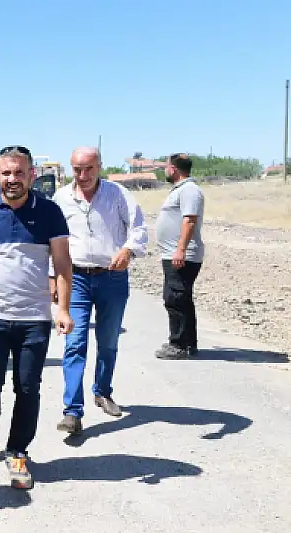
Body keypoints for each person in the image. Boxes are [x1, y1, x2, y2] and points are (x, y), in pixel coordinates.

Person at [0, 146, 73, 490]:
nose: (12, 179)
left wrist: (62, 308)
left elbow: (63, 264)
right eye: (6, 173)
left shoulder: (50, 213)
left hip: (33, 319)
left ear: (31, 174)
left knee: (28, 389)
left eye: (19, 172)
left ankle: (18, 451)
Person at [51, 147, 147, 435]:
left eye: (89, 169)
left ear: (99, 167)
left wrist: (129, 250)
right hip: (75, 278)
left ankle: (103, 391)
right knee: (74, 342)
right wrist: (51, 279)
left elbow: (138, 228)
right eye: (77, 169)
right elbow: (52, 241)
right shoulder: (61, 199)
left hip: (112, 278)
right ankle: (72, 411)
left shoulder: (117, 194)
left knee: (107, 340)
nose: (82, 176)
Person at [154, 153, 205, 360]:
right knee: (181, 298)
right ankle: (188, 343)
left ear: (173, 168)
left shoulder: (190, 191)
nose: (165, 170)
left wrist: (180, 250)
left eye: (166, 166)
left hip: (182, 255)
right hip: (175, 253)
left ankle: (179, 345)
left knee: (175, 298)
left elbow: (190, 221)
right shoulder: (180, 190)